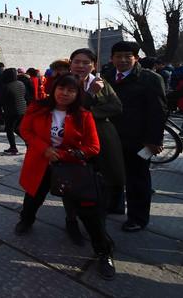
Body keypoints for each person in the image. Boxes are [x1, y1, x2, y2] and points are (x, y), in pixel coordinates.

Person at [15, 73, 115, 280]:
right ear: (54, 89)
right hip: (41, 163)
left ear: (78, 93)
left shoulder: (84, 115)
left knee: (89, 213)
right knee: (34, 195)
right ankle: (26, 220)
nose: (65, 93)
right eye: (62, 88)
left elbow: (93, 147)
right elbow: (25, 129)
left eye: (71, 90)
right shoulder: (38, 107)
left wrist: (61, 154)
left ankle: (103, 251)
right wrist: (44, 149)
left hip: (71, 168)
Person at [103, 41, 167, 232]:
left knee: (137, 179)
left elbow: (159, 111)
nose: (122, 60)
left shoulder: (150, 79)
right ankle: (115, 205)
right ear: (111, 58)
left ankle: (138, 218)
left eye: (127, 56)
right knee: (113, 174)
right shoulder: (107, 77)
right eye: (118, 56)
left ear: (136, 58)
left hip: (139, 140)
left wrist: (155, 140)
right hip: (113, 138)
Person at [69, 49, 125, 215]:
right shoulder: (64, 83)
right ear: (70, 63)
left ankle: (107, 204)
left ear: (93, 66)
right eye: (77, 61)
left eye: (86, 62)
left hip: (102, 134)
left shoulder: (101, 83)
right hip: (74, 136)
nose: (81, 66)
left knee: (108, 171)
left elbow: (116, 107)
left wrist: (89, 113)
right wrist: (91, 94)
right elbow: (69, 110)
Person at [2, 68, 27, 155]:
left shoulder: (6, 86)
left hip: (11, 111)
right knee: (18, 128)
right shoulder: (21, 83)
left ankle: (13, 147)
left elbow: (3, 100)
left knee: (9, 129)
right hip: (23, 109)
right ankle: (28, 143)